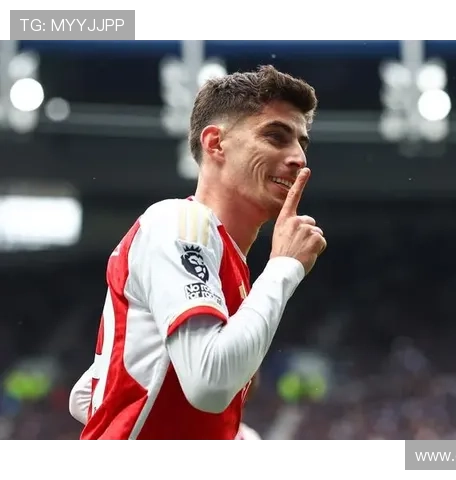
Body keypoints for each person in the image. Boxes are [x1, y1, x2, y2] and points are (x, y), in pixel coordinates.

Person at [68, 65, 326, 440]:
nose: (298, 157)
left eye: (302, 144)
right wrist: (284, 266)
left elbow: (86, 394)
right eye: (276, 136)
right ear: (215, 143)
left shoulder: (223, 256)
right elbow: (210, 383)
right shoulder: (181, 222)